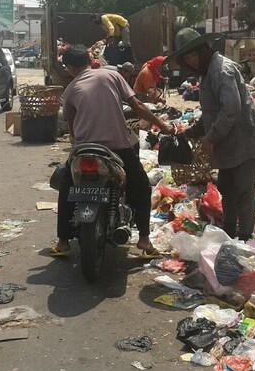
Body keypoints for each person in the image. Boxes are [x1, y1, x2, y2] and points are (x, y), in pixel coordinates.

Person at [52, 44, 173, 257]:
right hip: (118, 147)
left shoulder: (70, 89)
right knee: (142, 186)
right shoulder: (112, 76)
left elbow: (71, 124)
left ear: (69, 67)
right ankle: (144, 240)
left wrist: (76, 143)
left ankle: (62, 241)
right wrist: (162, 125)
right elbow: (137, 107)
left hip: (84, 149)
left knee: (67, 189)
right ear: (90, 61)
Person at [171, 28, 255, 240]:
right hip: (228, 145)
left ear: (203, 50)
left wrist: (210, 138)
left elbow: (231, 109)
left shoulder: (222, 71)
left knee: (244, 192)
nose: (192, 61)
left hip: (245, 142)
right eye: (187, 58)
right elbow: (211, 113)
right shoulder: (207, 74)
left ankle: (243, 238)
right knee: (227, 189)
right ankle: (228, 233)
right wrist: (193, 131)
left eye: (193, 55)